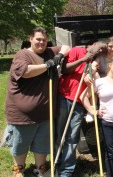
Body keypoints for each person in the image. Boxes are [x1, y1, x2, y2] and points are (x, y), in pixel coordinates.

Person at [5, 27, 70, 176]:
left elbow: (66, 47)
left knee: (42, 144)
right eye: (38, 39)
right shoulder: (22, 55)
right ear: (31, 39)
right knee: (20, 145)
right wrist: (48, 64)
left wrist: (59, 55)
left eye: (44, 40)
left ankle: (40, 168)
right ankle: (18, 170)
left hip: (45, 113)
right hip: (22, 116)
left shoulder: (48, 52)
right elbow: (26, 72)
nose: (41, 42)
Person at [55, 41, 107, 176]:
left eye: (103, 51)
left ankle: (66, 171)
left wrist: (92, 75)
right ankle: (57, 163)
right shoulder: (77, 51)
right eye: (99, 48)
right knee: (59, 133)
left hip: (79, 102)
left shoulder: (95, 64)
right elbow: (64, 69)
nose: (100, 51)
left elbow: (95, 83)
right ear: (92, 45)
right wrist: (84, 59)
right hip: (64, 96)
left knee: (72, 137)